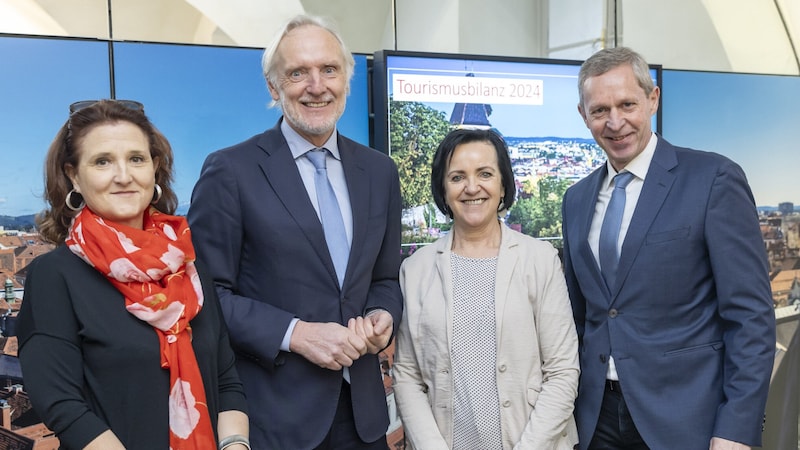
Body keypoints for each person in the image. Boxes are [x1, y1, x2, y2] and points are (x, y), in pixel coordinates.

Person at [187, 14, 403, 450]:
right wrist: (297, 334)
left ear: (347, 79)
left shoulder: (380, 172)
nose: (316, 85)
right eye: (297, 73)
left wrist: (384, 318)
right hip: (275, 421)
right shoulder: (231, 171)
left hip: (364, 420)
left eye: (329, 69)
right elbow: (204, 295)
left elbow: (384, 278)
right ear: (274, 88)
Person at [561, 46, 776, 450]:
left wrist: (736, 428)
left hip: (687, 420)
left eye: (627, 104)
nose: (615, 122)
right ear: (583, 115)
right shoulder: (576, 198)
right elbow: (580, 316)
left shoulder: (713, 179)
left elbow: (749, 317)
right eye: (600, 110)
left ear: (653, 99)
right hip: (594, 420)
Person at [17, 99, 250, 450]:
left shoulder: (189, 267)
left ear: (155, 168)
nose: (124, 176)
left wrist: (236, 446)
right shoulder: (54, 276)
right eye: (102, 161)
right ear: (73, 176)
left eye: (136, 159)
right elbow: (63, 405)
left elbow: (225, 379)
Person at [393, 128, 580, 449]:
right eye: (457, 177)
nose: (471, 187)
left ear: (503, 183)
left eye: (485, 174)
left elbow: (562, 372)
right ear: (442, 187)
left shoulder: (540, 260)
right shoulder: (416, 269)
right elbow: (407, 376)